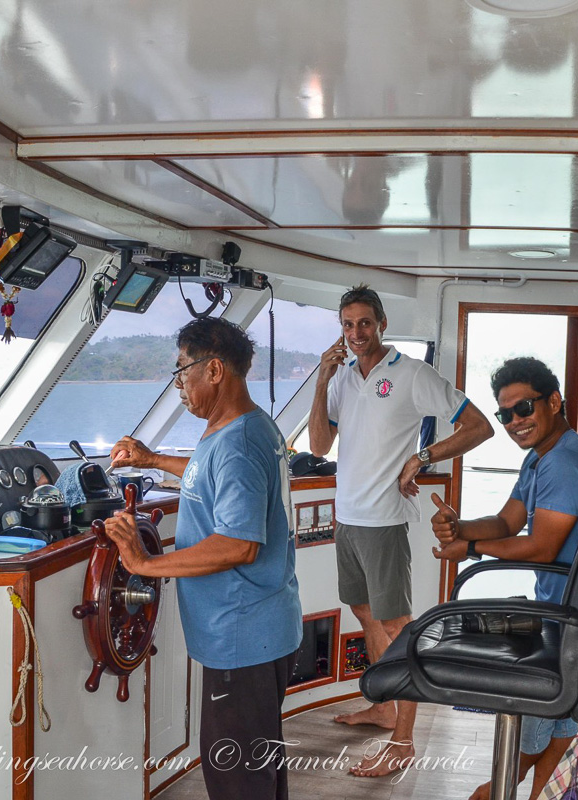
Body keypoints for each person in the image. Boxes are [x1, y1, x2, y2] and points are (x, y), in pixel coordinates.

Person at [105, 317, 302, 800]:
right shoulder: (247, 427)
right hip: (261, 630)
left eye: (181, 371)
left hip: (242, 635)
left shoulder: (237, 445)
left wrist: (144, 564)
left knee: (237, 780)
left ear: (213, 370)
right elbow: (205, 475)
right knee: (259, 769)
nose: (178, 385)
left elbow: (239, 545)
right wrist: (152, 461)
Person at [309, 283, 494, 777]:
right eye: (347, 325)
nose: (356, 334)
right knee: (365, 614)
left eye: (364, 323)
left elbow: (479, 427)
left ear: (383, 324)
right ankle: (385, 706)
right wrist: (322, 377)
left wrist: (424, 456)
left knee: (397, 627)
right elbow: (321, 443)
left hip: (385, 522)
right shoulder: (343, 377)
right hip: (347, 519)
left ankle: (404, 741)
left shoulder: (411, 373)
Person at [430, 356, 578, 800]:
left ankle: (498, 787)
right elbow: (508, 523)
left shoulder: (565, 460)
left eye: (523, 408)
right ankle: (527, 790)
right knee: (561, 724)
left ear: (554, 401)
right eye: (504, 414)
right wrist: (461, 526)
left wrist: (468, 549)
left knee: (539, 719)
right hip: (563, 608)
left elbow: (542, 547)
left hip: (572, 614)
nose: (513, 422)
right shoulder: (540, 458)